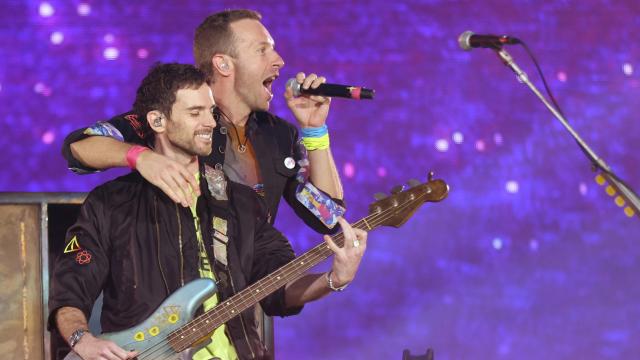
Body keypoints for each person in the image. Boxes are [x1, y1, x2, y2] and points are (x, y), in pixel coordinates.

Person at [49, 63, 367, 360]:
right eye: (195, 112)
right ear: (158, 121)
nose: (210, 123)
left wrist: (333, 279)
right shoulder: (110, 203)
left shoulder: (240, 202)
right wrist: (82, 339)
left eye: (211, 112)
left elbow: (278, 288)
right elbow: (70, 291)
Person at [62, 9, 345, 234]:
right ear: (223, 64)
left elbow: (328, 219)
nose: (280, 60)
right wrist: (142, 157)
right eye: (263, 50)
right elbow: (80, 148)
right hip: (178, 295)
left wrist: (314, 129)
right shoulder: (178, 118)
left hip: (248, 297)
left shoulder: (281, 135)